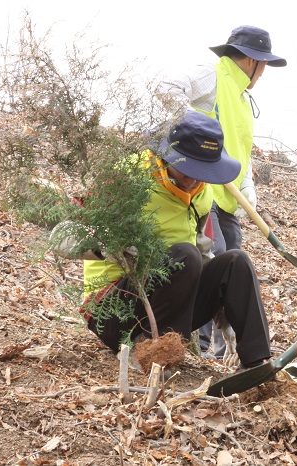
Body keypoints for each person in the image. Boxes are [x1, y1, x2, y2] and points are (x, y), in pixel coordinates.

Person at [80, 111, 271, 371]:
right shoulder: (127, 178)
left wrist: (224, 307)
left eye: (203, 172)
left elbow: (203, 255)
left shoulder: (202, 193)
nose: (193, 180)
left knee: (235, 261)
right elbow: (67, 234)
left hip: (170, 304)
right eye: (187, 170)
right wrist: (111, 247)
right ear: (165, 156)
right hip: (112, 311)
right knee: (184, 255)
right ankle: (153, 354)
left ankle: (256, 364)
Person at [158, 25, 286, 358]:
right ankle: (195, 347)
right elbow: (167, 89)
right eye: (263, 65)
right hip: (202, 191)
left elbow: (240, 150)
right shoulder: (211, 75)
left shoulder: (243, 100)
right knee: (205, 260)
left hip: (230, 200)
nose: (263, 73)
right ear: (251, 60)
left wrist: (247, 184)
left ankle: (229, 352)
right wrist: (190, 132)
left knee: (235, 267)